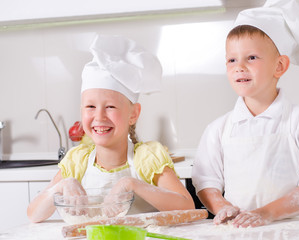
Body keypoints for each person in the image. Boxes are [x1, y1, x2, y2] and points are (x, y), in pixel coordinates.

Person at [192, 0, 299, 228]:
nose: (239, 66)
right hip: (241, 231)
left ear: (279, 66)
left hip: (297, 231)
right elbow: (206, 183)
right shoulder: (218, 129)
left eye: (252, 57)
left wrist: (265, 213)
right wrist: (222, 208)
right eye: (232, 59)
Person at [27, 35, 194, 223]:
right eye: (90, 107)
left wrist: (131, 184)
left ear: (133, 114)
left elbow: (187, 206)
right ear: (81, 111)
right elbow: (33, 214)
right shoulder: (77, 161)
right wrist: (63, 185)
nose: (99, 117)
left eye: (110, 107)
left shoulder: (147, 158)